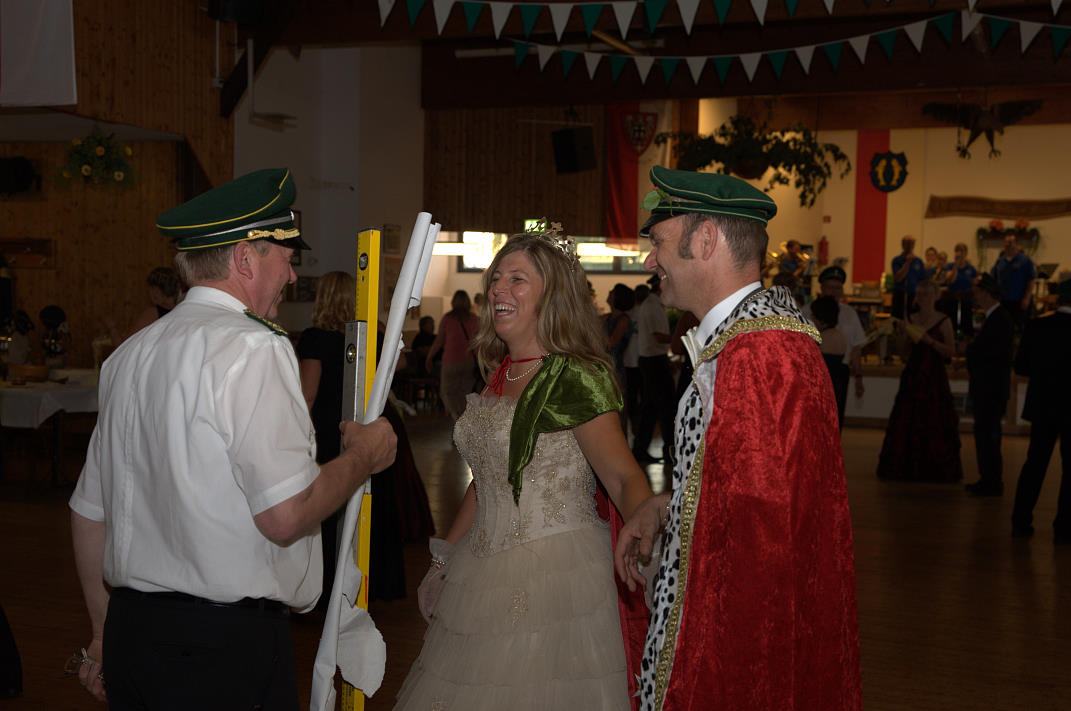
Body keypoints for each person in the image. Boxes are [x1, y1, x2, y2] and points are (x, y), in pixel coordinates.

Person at [68, 168, 398, 709]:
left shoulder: (129, 354)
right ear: (246, 259)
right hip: (221, 649)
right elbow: (286, 515)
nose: (292, 276)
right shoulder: (253, 347)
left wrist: (102, 634)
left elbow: (88, 513)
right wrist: (363, 454)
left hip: (132, 633)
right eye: (285, 258)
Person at [616, 166, 861, 710]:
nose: (650, 261)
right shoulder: (752, 345)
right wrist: (667, 505)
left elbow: (759, 554)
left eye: (659, 242)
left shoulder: (758, 357)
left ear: (706, 240)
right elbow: (738, 496)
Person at [394, 223, 660, 710]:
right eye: (496, 279)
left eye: (517, 279)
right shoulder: (500, 375)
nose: (499, 289)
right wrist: (441, 561)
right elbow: (487, 481)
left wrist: (644, 522)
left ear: (551, 295)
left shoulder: (574, 376)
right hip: (481, 571)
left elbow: (623, 476)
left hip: (557, 575)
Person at [297, 272, 413, 604]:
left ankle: (329, 587)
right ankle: (375, 582)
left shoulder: (315, 338)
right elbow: (400, 363)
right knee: (372, 504)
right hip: (369, 424)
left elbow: (308, 394)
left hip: (330, 427)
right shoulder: (369, 335)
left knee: (329, 504)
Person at [876, 280, 963, 482]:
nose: (923, 297)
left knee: (934, 419)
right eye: (920, 293)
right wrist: (902, 335)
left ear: (935, 296)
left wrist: (929, 341)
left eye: (927, 293)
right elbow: (903, 353)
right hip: (913, 375)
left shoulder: (944, 320)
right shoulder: (910, 319)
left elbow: (950, 351)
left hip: (934, 377)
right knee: (908, 418)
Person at [1010, 279, 1071, 542]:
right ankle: (1065, 527)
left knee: (1034, 464)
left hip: (1043, 405)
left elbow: (1021, 367)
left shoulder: (1037, 326)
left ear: (1058, 299)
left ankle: (1020, 521)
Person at [964, 273, 1015, 497]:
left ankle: (991, 480)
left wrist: (969, 350)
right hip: (991, 386)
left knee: (988, 435)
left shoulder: (998, 319)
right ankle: (989, 478)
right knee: (987, 434)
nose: (975, 297)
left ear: (986, 293)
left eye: (977, 293)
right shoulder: (997, 318)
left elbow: (991, 354)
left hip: (990, 388)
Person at [802, 266, 866, 427]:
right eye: (830, 287)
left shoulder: (850, 313)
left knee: (835, 420)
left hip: (839, 373)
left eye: (837, 288)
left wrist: (859, 377)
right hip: (811, 373)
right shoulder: (806, 311)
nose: (833, 292)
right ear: (822, 288)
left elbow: (856, 348)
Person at [631, 274, 675, 464]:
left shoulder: (652, 304)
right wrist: (684, 337)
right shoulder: (652, 306)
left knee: (652, 407)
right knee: (665, 407)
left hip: (652, 360)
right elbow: (659, 336)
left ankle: (642, 449)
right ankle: (666, 449)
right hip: (654, 361)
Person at [426, 289, 480, 420]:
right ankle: (462, 418)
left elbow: (439, 341)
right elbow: (478, 342)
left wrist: (429, 357)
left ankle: (454, 415)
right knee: (465, 392)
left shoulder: (447, 319)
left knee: (446, 391)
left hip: (450, 361)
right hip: (469, 361)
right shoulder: (474, 319)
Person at [108, 267, 183, 346]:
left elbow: (123, 345)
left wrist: (112, 327)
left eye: (150, 289)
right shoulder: (183, 310)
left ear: (155, 290)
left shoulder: (153, 313)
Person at [810, 295, 850, 425]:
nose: (811, 319)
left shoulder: (821, 338)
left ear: (820, 318)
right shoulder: (840, 336)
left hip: (824, 386)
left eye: (813, 316)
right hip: (839, 382)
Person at [991, 234, 1037, 327]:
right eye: (1006, 242)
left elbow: (1031, 280)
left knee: (1020, 327)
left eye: (1010, 242)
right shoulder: (1000, 261)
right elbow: (994, 279)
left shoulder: (1025, 260)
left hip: (1019, 301)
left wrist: (1027, 298)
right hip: (1004, 301)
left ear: (1016, 244)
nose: (1007, 244)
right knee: (1005, 326)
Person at [942, 242, 978, 336]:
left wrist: (975, 300)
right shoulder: (950, 266)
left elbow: (975, 285)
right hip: (952, 299)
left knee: (966, 325)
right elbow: (951, 280)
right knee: (952, 324)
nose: (960, 253)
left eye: (962, 250)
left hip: (966, 300)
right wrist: (956, 266)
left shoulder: (971, 268)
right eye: (957, 250)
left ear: (966, 253)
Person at [891, 235, 925, 319]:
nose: (910, 246)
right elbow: (898, 278)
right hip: (900, 294)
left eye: (912, 244)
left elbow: (922, 281)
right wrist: (907, 262)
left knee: (913, 319)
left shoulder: (918, 261)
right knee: (898, 319)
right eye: (907, 244)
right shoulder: (897, 260)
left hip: (914, 295)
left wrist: (919, 296)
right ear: (903, 245)